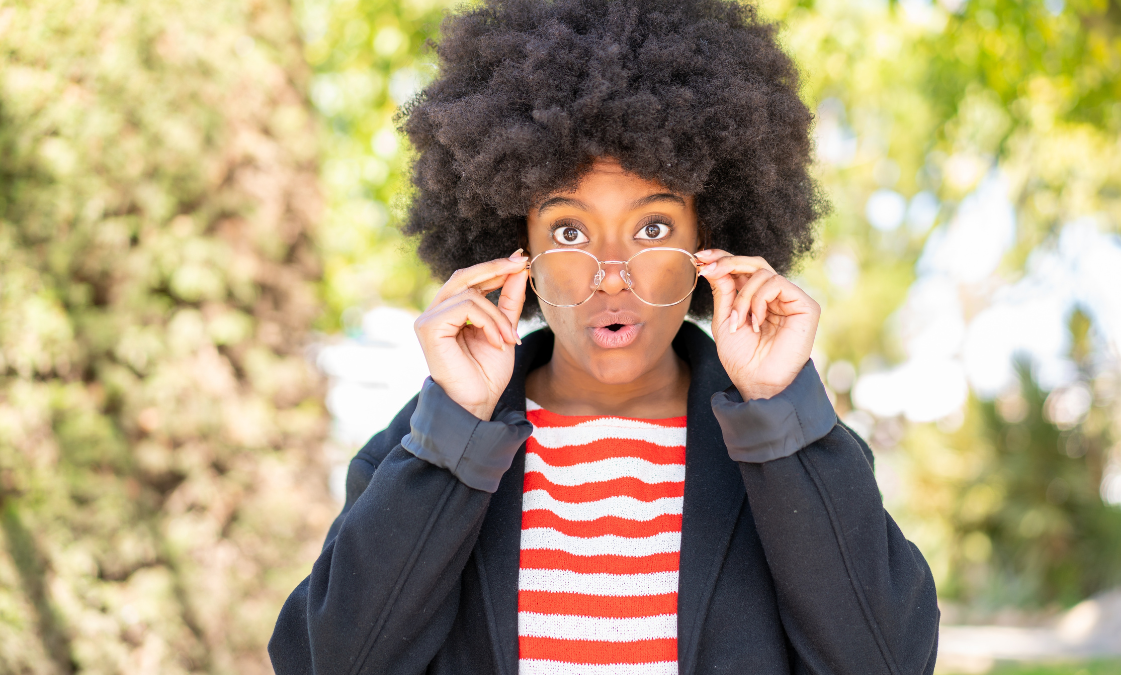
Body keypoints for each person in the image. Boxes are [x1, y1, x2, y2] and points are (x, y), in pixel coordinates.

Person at [269, 0, 939, 672]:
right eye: (568, 231)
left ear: (707, 242)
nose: (612, 277)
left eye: (652, 228)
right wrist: (454, 434)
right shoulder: (427, 446)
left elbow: (888, 659)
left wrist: (777, 409)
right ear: (516, 247)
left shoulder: (789, 443)